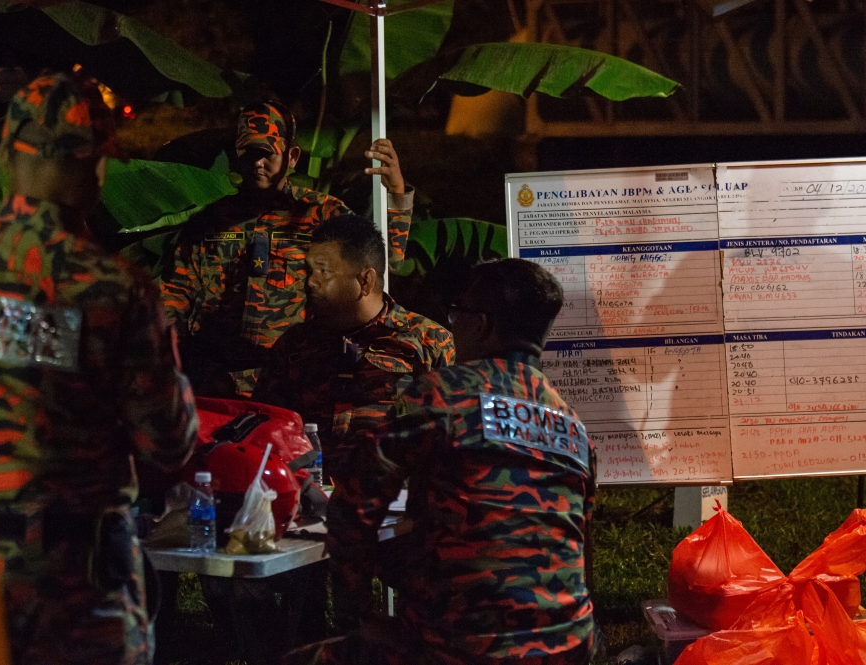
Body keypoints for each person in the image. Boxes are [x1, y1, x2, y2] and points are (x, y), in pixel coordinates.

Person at [0, 72, 199, 665]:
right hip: (76, 576)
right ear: (98, 168)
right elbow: (168, 444)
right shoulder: (115, 288)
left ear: (4, 152)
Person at [319, 258, 596, 665]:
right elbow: (580, 545)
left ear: (481, 324)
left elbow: (354, 508)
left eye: (457, 314)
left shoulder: (438, 395)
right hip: (569, 645)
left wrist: (357, 616)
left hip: (462, 648)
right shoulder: (572, 426)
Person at [155, 101, 414, 397]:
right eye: (248, 153)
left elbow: (385, 262)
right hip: (216, 379)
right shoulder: (210, 221)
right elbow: (176, 292)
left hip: (296, 379)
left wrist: (395, 192)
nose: (257, 163)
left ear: (291, 157)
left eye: (267, 154)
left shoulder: (320, 215)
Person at [253, 213, 454, 484]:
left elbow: (455, 438)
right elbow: (266, 428)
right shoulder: (294, 345)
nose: (311, 282)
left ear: (365, 282)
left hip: (394, 509)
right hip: (309, 503)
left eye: (323, 272)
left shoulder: (428, 341)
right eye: (309, 271)